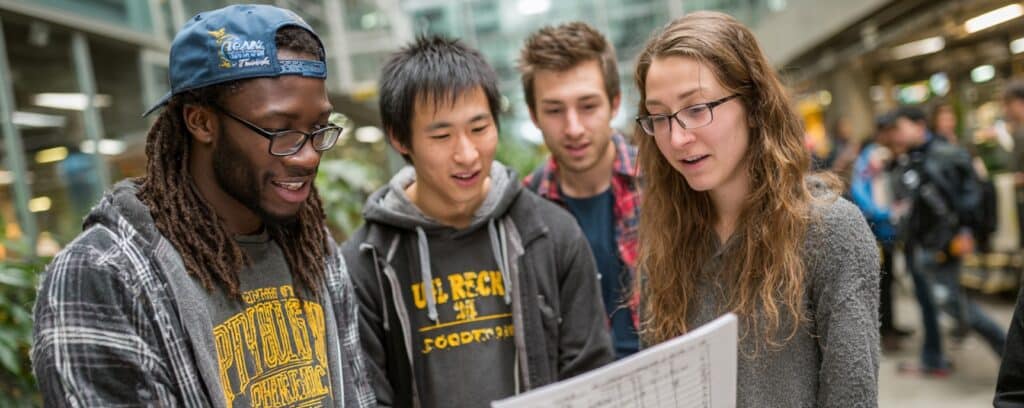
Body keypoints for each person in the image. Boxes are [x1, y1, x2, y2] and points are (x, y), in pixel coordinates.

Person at [30, 4, 374, 407]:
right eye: (280, 130)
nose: (308, 156)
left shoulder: (313, 249)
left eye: (317, 129)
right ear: (201, 122)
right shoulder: (105, 275)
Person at [341, 36, 613, 408]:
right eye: (441, 135)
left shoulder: (551, 234)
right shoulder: (366, 262)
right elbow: (369, 395)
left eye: (479, 128)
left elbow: (589, 380)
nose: (467, 154)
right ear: (400, 139)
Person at [633, 11, 879, 406]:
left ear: (754, 105)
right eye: (659, 117)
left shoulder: (829, 231)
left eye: (697, 109)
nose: (677, 138)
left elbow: (853, 397)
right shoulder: (666, 239)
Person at [518, 22, 641, 359]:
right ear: (534, 115)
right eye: (555, 111)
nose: (573, 128)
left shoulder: (665, 184)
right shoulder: (522, 213)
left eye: (588, 106)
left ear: (614, 104)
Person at [882, 106, 1005, 376]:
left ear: (919, 125)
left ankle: (1011, 355)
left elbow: (972, 196)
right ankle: (933, 357)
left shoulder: (946, 154)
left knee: (957, 307)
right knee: (932, 304)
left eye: (900, 128)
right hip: (921, 244)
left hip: (943, 245)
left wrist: (966, 231)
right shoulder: (912, 158)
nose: (897, 135)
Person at [850, 123, 911, 351]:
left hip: (888, 230)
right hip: (877, 230)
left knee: (889, 279)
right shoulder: (870, 157)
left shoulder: (887, 156)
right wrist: (883, 213)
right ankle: (884, 331)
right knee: (881, 282)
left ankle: (890, 327)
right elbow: (860, 190)